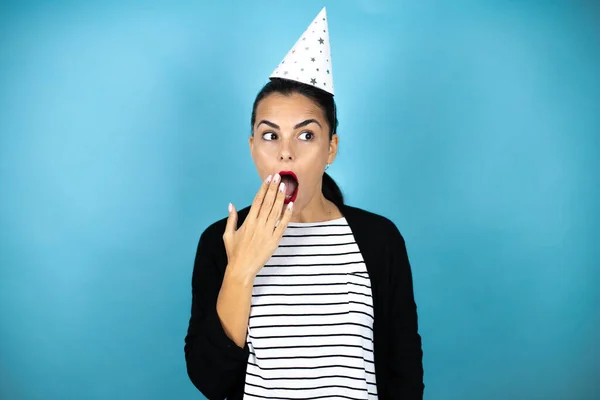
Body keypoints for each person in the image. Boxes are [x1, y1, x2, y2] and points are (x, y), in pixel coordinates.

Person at [184, 7, 424, 400]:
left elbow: (404, 374)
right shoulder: (221, 241)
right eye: (269, 135)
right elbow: (212, 382)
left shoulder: (379, 239)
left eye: (306, 136)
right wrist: (241, 269)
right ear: (251, 148)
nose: (286, 154)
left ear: (331, 148)